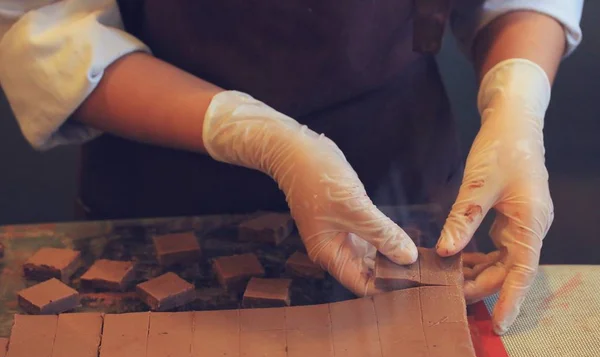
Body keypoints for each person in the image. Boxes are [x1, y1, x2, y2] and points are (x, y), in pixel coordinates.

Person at [0, 0, 583, 334]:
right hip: (162, 175)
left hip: (392, 170)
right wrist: (260, 135)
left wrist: (518, 103)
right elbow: (48, 33)